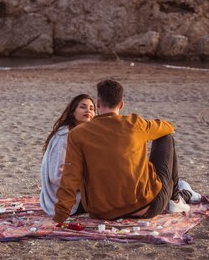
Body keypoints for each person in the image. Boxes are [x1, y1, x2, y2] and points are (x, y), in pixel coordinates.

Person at [53, 79, 201, 224]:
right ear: (121, 104)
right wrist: (145, 131)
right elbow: (169, 127)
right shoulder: (135, 123)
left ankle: (178, 197)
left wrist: (60, 216)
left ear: (98, 104)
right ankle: (175, 200)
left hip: (102, 213)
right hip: (145, 208)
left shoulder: (77, 134)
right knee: (166, 137)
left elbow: (70, 176)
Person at [40, 94, 95, 215]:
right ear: (72, 111)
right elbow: (56, 176)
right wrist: (88, 185)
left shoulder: (82, 134)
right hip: (64, 199)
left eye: (91, 108)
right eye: (83, 107)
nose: (88, 111)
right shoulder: (64, 136)